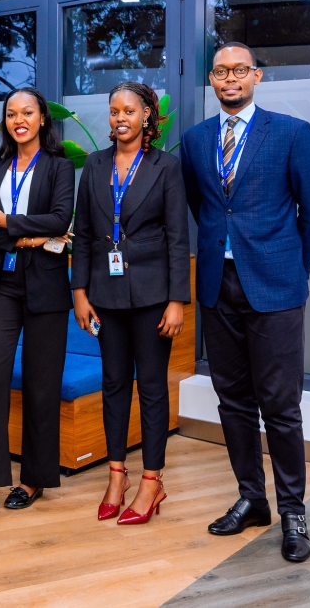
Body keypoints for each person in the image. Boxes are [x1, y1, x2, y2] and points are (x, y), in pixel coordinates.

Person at [181, 42, 310, 563]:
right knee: (234, 402)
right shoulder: (196, 140)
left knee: (281, 408)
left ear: (257, 77)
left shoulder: (291, 133)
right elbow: (202, 207)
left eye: (239, 71)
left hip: (274, 289)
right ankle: (252, 497)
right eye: (221, 72)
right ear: (212, 79)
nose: (230, 79)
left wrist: (292, 264)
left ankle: (293, 511)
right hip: (217, 289)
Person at [71, 81, 191, 525]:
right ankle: (117, 475)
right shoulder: (96, 165)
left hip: (153, 296)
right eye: (114, 110)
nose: (120, 118)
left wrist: (178, 300)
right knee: (114, 385)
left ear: (147, 116)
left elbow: (179, 237)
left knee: (153, 388)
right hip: (104, 294)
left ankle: (152, 481)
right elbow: (82, 233)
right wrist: (79, 293)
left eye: (129, 111)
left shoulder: (166, 166)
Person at [0, 87, 75, 526]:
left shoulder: (59, 168)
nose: (19, 119)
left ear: (43, 118)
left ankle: (34, 478)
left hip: (46, 285)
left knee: (41, 383)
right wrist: (28, 236)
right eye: (11, 113)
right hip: (3, 284)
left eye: (27, 112)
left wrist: (6, 223)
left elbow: (60, 219)